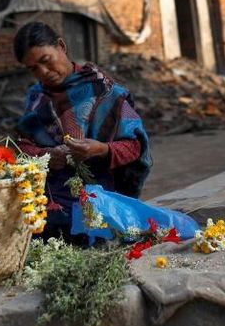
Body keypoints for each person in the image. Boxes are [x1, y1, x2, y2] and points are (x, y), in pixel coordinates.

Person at [13, 21, 152, 241]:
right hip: (48, 206)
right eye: (33, 69)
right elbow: (21, 147)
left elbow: (134, 146)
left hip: (102, 204)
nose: (43, 72)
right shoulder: (36, 98)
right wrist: (45, 156)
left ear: (61, 46)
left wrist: (101, 149)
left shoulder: (105, 92)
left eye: (45, 61)